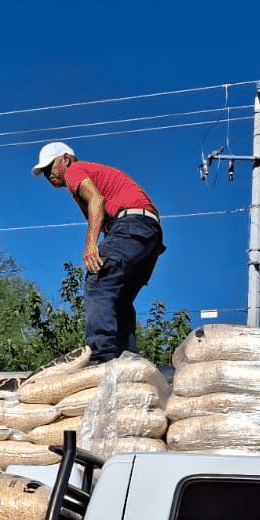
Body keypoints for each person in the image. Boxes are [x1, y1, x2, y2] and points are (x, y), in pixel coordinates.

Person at [32, 141, 166, 364]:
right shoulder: (86, 179)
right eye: (44, 171)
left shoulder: (75, 171)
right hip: (148, 234)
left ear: (65, 159)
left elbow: (97, 199)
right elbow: (104, 217)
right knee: (118, 298)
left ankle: (100, 358)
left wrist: (90, 246)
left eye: (50, 167)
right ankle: (127, 361)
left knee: (98, 281)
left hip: (133, 224)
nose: (48, 174)